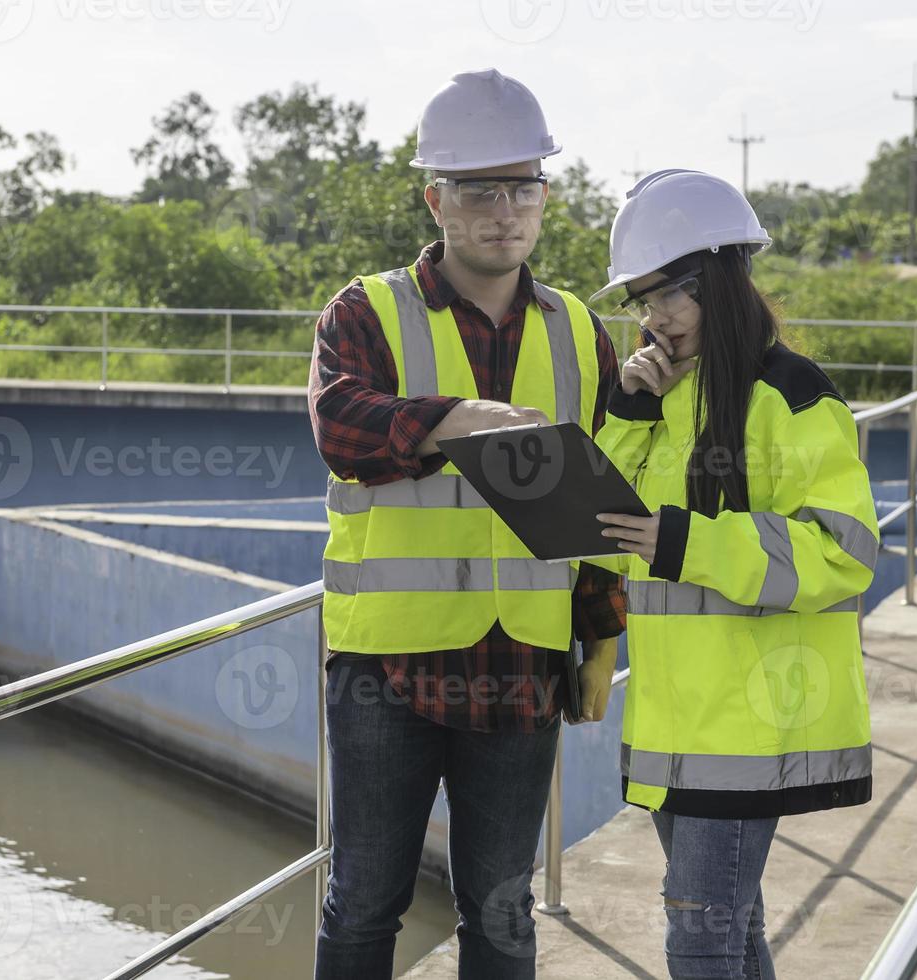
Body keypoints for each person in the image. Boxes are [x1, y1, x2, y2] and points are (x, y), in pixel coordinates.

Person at [307, 68, 626, 978]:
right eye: (477, 190)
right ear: (433, 198)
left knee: (502, 910)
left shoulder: (576, 331)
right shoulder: (366, 311)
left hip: (520, 665)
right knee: (365, 901)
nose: (502, 212)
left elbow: (601, 502)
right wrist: (453, 421)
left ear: (544, 196)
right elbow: (339, 428)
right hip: (386, 672)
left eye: (520, 187)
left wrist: (598, 634)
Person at [589, 169, 879, 979]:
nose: (651, 318)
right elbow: (609, 535)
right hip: (675, 722)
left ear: (719, 276)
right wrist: (628, 411)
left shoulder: (791, 396)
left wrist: (686, 543)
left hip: (753, 721)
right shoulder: (666, 399)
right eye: (639, 301)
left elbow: (842, 550)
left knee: (700, 938)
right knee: (730, 934)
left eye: (666, 295)